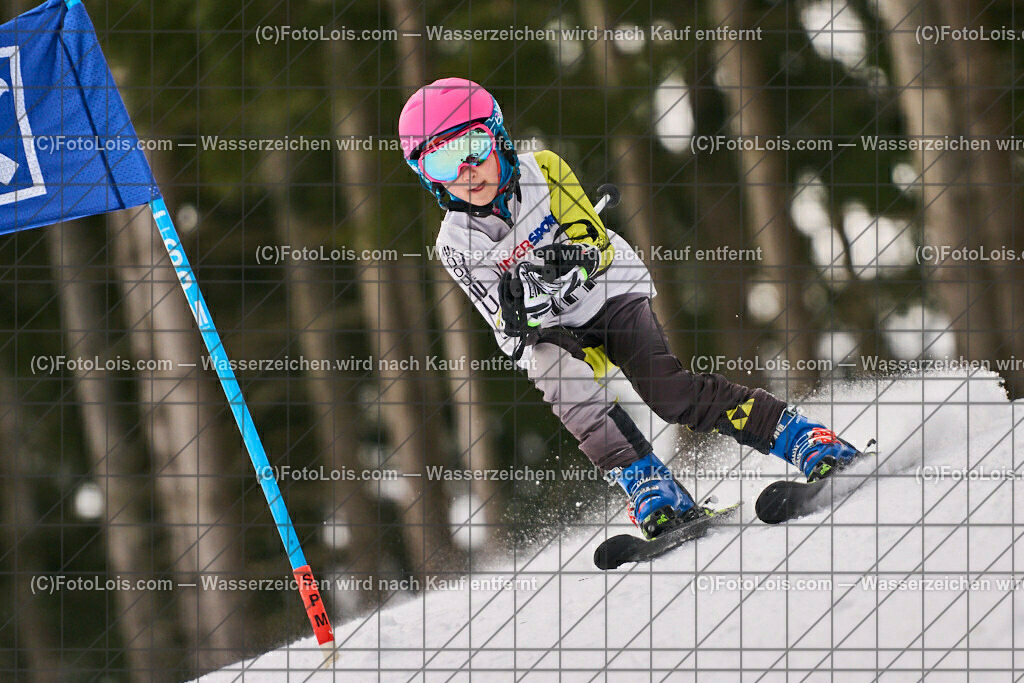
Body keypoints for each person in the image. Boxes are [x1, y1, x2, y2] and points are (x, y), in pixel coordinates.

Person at [398, 77, 862, 540]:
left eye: (473, 147)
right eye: (443, 162)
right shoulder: (455, 243)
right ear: (428, 177)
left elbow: (593, 242)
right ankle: (647, 484)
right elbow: (504, 324)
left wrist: (570, 257)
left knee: (670, 394)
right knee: (560, 381)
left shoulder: (544, 169)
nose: (466, 171)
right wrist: (518, 309)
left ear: (498, 137)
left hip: (607, 293)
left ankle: (803, 437)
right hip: (554, 329)